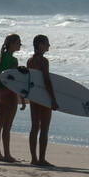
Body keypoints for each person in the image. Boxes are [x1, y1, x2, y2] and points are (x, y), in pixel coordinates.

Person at [26, 35, 60, 167]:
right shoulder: (44, 61)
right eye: (47, 43)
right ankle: (41, 159)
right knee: (44, 128)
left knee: (34, 127)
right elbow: (46, 81)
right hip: (44, 97)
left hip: (34, 97)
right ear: (40, 45)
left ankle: (34, 158)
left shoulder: (30, 60)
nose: (49, 46)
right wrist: (53, 99)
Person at [0, 34, 26, 162]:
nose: (20, 45)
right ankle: (7, 155)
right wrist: (22, 99)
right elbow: (14, 82)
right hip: (10, 94)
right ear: (11, 44)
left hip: (0, 93)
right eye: (18, 42)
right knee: (7, 126)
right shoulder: (13, 61)